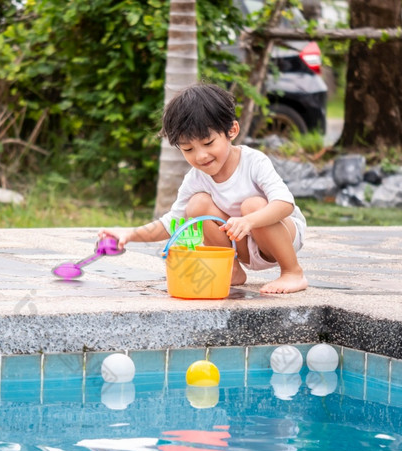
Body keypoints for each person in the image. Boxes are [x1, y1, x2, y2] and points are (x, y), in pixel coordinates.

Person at [100, 83, 307, 294]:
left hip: (280, 238)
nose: (200, 156)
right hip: (242, 245)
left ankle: (292, 272)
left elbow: (285, 204)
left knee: (253, 205)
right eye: (188, 149)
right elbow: (173, 222)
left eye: (208, 143)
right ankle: (232, 269)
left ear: (231, 131)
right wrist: (129, 234)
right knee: (197, 204)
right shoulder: (196, 178)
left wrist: (249, 221)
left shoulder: (253, 161)